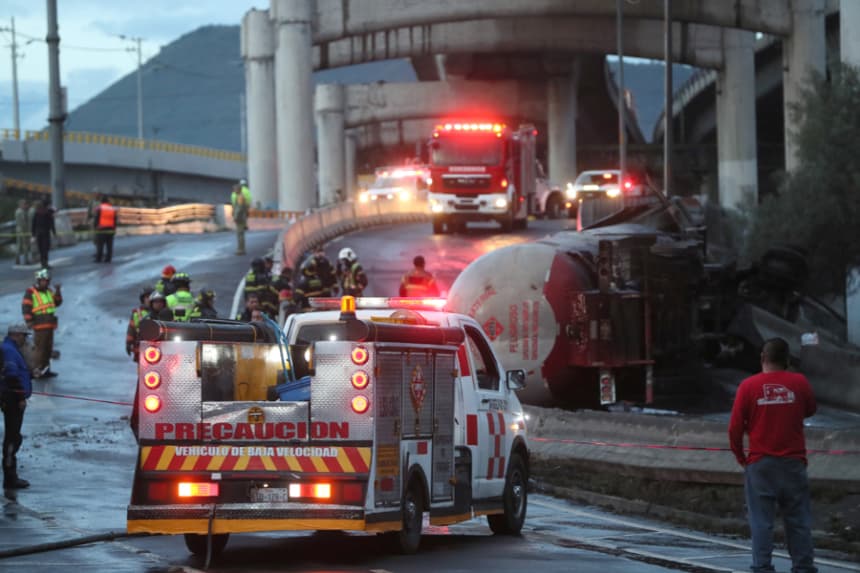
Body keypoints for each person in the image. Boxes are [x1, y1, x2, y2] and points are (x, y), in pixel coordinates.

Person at [729, 337, 818, 573]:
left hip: (760, 464)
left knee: (761, 522)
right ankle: (803, 567)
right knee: (798, 521)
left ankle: (763, 567)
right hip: (793, 463)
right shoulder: (799, 382)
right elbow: (810, 409)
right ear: (787, 360)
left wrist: (741, 457)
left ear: (762, 359)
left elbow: (735, 428)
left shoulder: (747, 386)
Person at [2, 324, 33, 489]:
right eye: (24, 336)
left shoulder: (10, 348)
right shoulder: (9, 350)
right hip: (12, 399)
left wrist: (30, 376)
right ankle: (9, 478)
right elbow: (12, 376)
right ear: (16, 335)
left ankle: (11, 475)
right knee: (12, 438)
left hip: (12, 397)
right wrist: (20, 397)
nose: (25, 339)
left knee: (14, 437)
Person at [22, 269, 62, 378]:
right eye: (43, 280)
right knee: (40, 350)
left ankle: (46, 370)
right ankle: (37, 371)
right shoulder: (31, 292)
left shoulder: (49, 291)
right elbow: (26, 307)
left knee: (48, 349)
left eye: (47, 281)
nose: (46, 282)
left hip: (49, 325)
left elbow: (57, 302)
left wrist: (58, 290)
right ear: (39, 281)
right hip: (39, 326)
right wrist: (29, 321)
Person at [126, 287, 152, 362]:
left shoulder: (159, 312)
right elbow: (131, 329)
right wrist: (128, 343)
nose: (149, 299)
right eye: (147, 297)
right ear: (143, 299)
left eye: (150, 296)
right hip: (140, 348)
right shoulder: (136, 313)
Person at [31, 199, 56, 269]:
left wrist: (33, 234)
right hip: (45, 233)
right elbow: (51, 223)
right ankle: (45, 263)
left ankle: (43, 263)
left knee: (41, 249)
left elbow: (33, 224)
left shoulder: (37, 213)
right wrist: (54, 232)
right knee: (45, 249)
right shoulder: (47, 213)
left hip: (39, 233)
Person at [93, 194, 118, 263]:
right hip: (111, 228)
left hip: (101, 228)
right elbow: (115, 219)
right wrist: (114, 228)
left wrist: (95, 227)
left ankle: (99, 258)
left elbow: (96, 218)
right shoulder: (112, 208)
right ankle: (108, 258)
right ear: (108, 201)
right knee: (109, 244)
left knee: (100, 244)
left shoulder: (99, 208)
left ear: (101, 201)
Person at [14, 199, 31, 266]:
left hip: (18, 229)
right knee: (25, 245)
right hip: (23, 230)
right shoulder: (22, 212)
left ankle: (17, 259)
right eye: (24, 204)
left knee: (19, 245)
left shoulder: (17, 211)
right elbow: (24, 222)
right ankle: (26, 260)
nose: (25, 206)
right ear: (21, 205)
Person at [232, 191, 249, 256]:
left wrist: (236, 217)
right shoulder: (241, 196)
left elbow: (239, 208)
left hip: (240, 219)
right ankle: (241, 249)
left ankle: (241, 250)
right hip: (242, 218)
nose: (234, 190)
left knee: (240, 234)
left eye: (235, 189)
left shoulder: (240, 197)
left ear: (237, 189)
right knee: (241, 234)